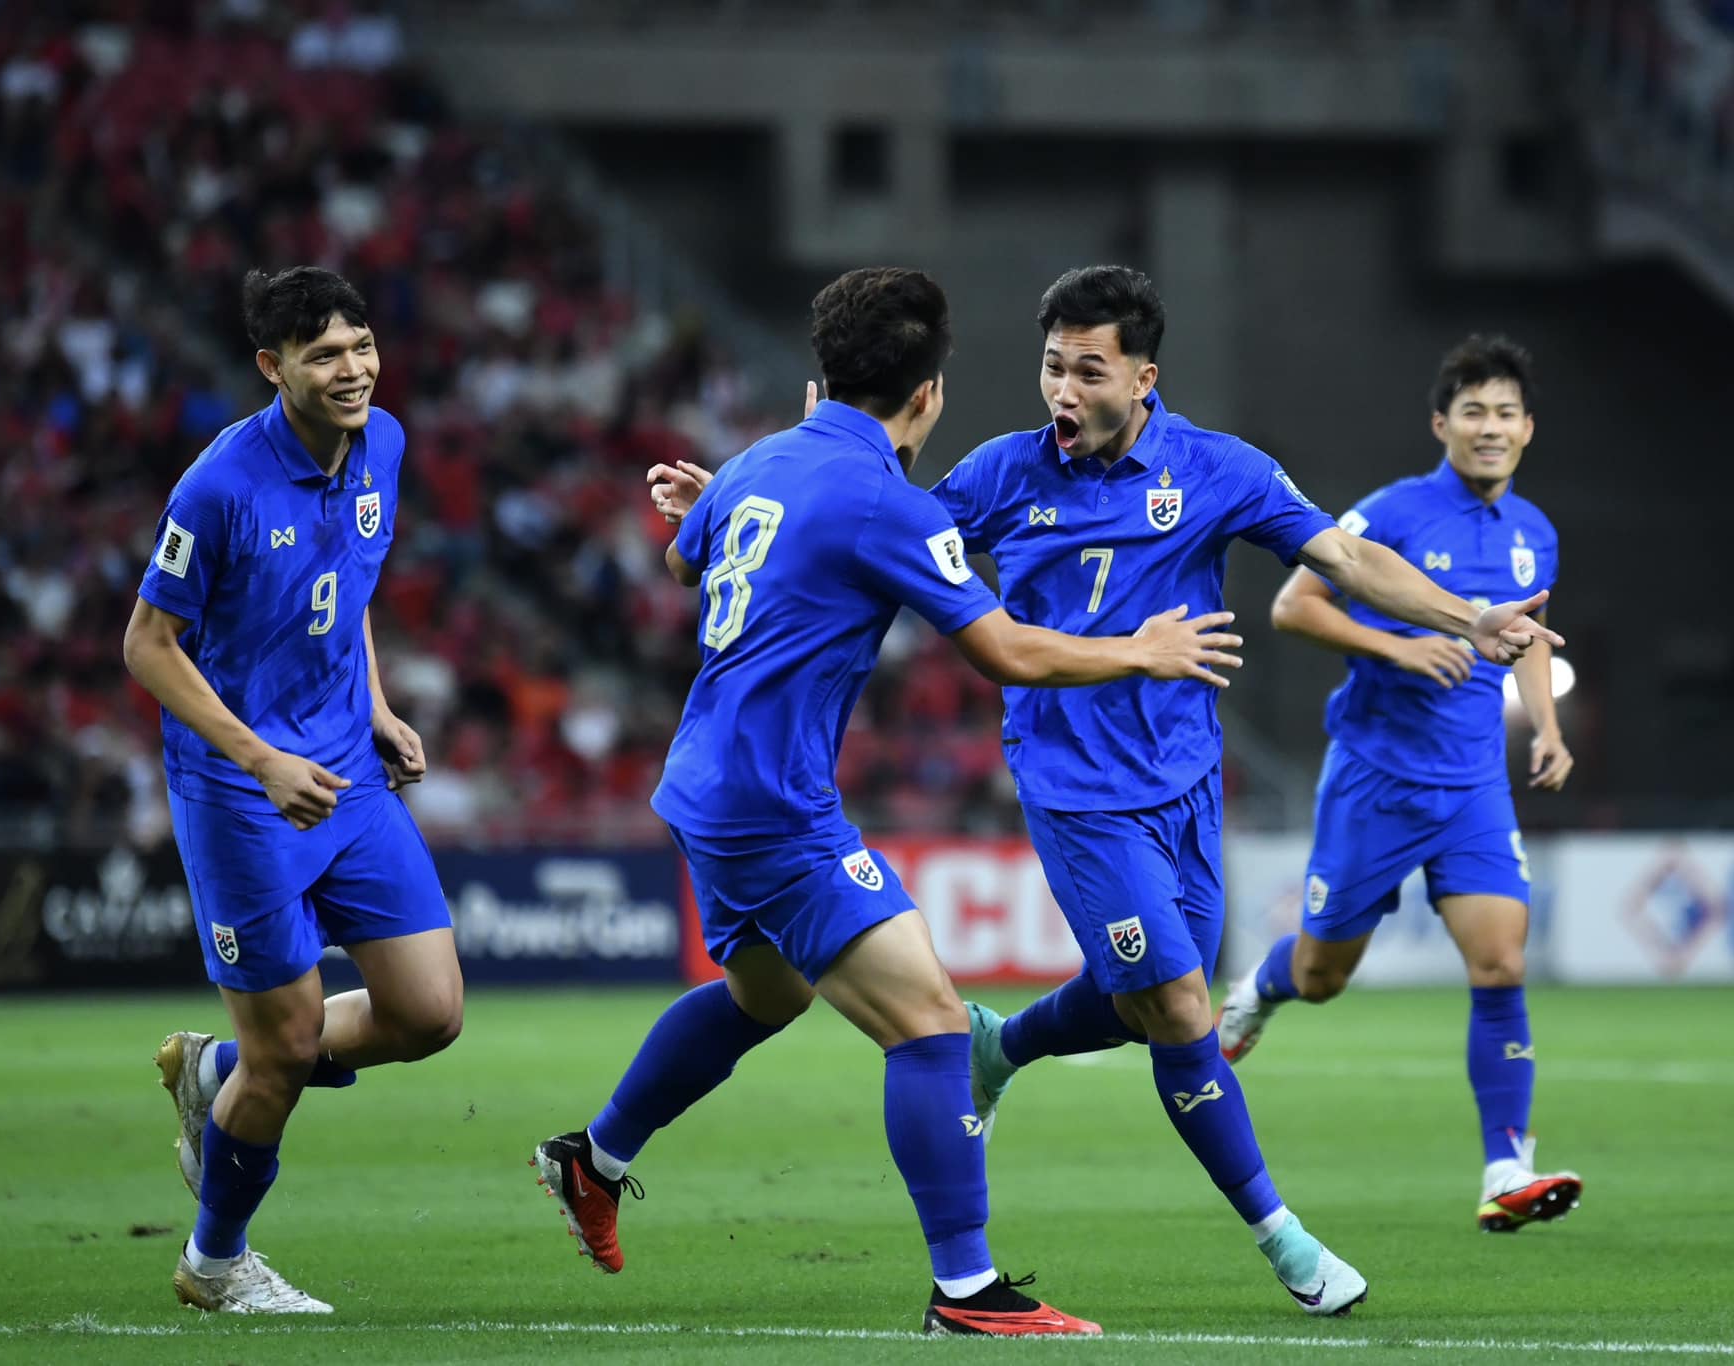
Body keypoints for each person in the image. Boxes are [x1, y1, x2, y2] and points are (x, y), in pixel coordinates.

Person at [530, 267, 1244, 1338]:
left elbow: (684, 562)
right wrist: (1136, 647)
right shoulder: (886, 504)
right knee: (933, 1026)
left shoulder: (761, 460)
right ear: (928, 396)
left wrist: (707, 501)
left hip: (702, 783)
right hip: (773, 807)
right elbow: (1002, 649)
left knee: (764, 997)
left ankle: (593, 1157)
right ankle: (966, 1290)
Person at [934, 267, 1560, 1318]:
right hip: (1073, 786)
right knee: (1180, 1008)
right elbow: (892, 546)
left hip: (1182, 784)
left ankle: (1000, 1045)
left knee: (1142, 1002)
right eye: (1050, 366)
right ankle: (1285, 1239)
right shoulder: (999, 474)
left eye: (1086, 370)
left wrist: (1465, 619)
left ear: (1142, 376)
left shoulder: (1216, 470)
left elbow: (1342, 559)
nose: (1061, 390)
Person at [126, 266, 462, 1314]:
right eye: (325, 354)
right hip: (241, 795)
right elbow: (147, 645)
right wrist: (261, 759)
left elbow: (346, 585)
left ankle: (217, 1066)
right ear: (273, 367)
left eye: (361, 345)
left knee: (429, 1010)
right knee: (289, 1047)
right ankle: (215, 1263)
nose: (354, 368)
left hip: (349, 775)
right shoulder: (220, 484)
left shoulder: (386, 445)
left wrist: (373, 702)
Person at [1217, 334, 1582, 1235]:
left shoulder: (1537, 535)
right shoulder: (1391, 513)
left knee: (1501, 962)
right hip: (1376, 779)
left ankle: (1507, 1168)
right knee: (1322, 972)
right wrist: (1399, 644)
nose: (1489, 428)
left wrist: (1547, 727)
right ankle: (1259, 991)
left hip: (1471, 791)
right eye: (1473, 412)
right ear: (1441, 423)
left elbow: (1527, 641)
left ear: (1528, 428)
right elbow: (1293, 604)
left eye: (1505, 413)